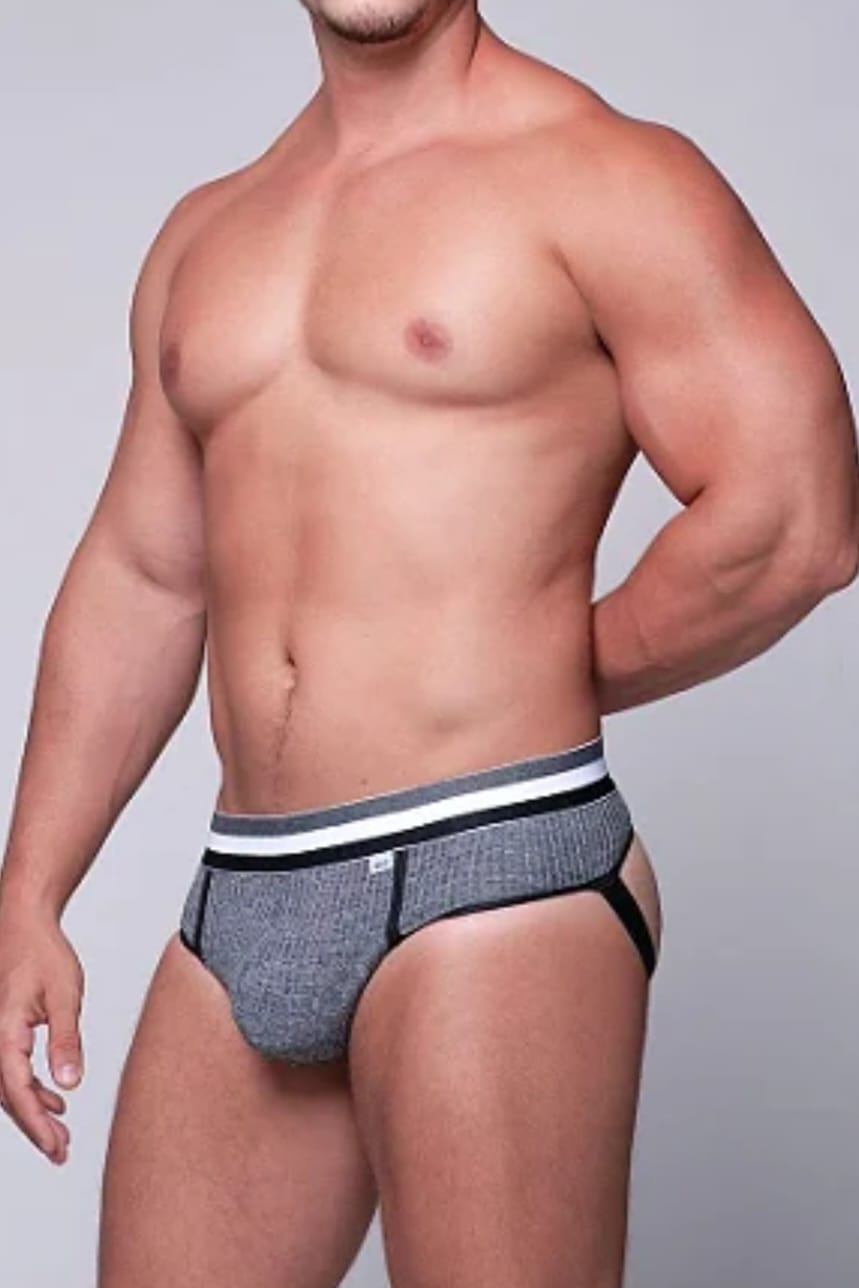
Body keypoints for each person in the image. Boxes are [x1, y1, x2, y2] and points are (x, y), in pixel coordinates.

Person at [1, 0, 857, 1284]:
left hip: (493, 860)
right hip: (248, 882)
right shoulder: (206, 234)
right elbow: (143, 572)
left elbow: (796, 515)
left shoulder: (605, 176)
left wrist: (553, 665)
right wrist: (29, 888)